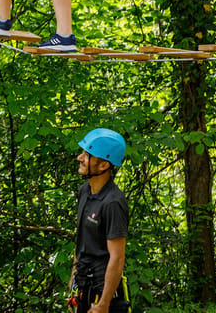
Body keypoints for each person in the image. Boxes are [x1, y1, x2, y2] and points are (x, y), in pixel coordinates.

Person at [70, 128, 131, 313]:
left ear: (104, 165)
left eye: (87, 155)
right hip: (82, 286)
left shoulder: (113, 202)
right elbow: (81, 241)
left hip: (104, 292)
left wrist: (103, 303)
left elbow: (117, 256)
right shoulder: (84, 192)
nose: (80, 158)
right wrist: (73, 281)